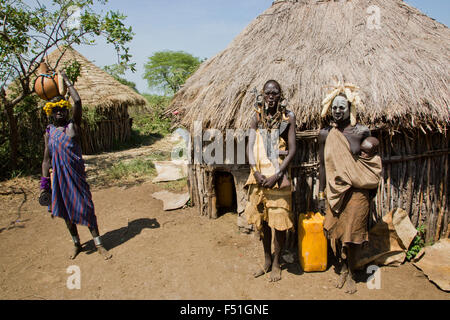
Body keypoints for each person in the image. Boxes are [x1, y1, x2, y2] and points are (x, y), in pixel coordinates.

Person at [40, 71, 112, 260]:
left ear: (66, 109)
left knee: (86, 208)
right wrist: (44, 185)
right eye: (55, 110)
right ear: (51, 112)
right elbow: (46, 160)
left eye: (62, 109)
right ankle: (76, 243)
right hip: (60, 179)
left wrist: (66, 80)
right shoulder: (49, 133)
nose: (59, 113)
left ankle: (98, 244)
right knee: (65, 212)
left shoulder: (73, 126)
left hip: (77, 177)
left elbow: (78, 101)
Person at [318, 84, 382, 294]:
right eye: (334, 107)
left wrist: (372, 142)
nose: (337, 111)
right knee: (336, 231)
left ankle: (352, 273)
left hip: (357, 192)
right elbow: (322, 165)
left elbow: (370, 158)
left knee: (353, 235)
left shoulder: (361, 131)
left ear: (350, 108)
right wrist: (321, 192)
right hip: (336, 192)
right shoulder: (326, 134)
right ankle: (343, 268)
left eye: (342, 107)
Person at [244, 80, 296, 282]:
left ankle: (277, 263)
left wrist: (277, 174)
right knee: (263, 221)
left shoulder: (288, 117)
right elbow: (249, 147)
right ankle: (267, 260)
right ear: (263, 95)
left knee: (279, 221)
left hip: (278, 175)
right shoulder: (257, 116)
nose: (271, 96)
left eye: (275, 93)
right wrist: (255, 172)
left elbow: (292, 150)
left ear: (280, 95)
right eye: (268, 93)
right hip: (259, 178)